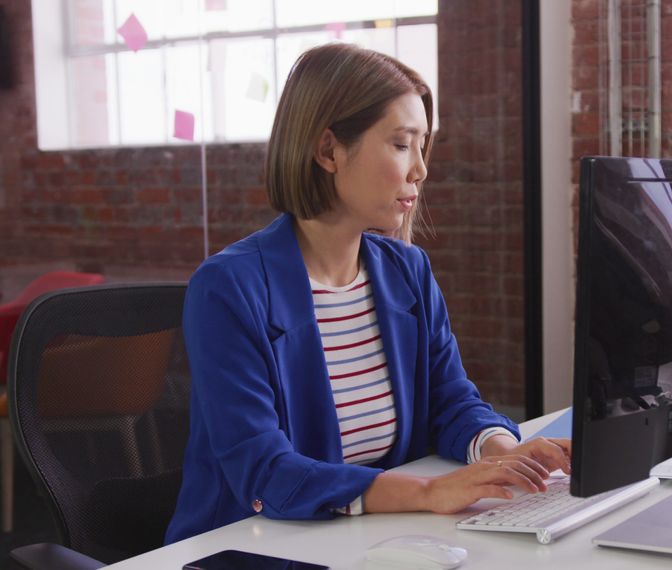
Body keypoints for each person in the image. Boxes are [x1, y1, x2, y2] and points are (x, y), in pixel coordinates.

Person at [165, 43, 569, 543]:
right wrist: (428, 492)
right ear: (328, 150)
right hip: (252, 548)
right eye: (402, 144)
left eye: (423, 146)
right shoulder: (228, 288)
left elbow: (451, 401)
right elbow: (264, 472)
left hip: (372, 542)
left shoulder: (407, 271)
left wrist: (502, 449)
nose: (420, 170)